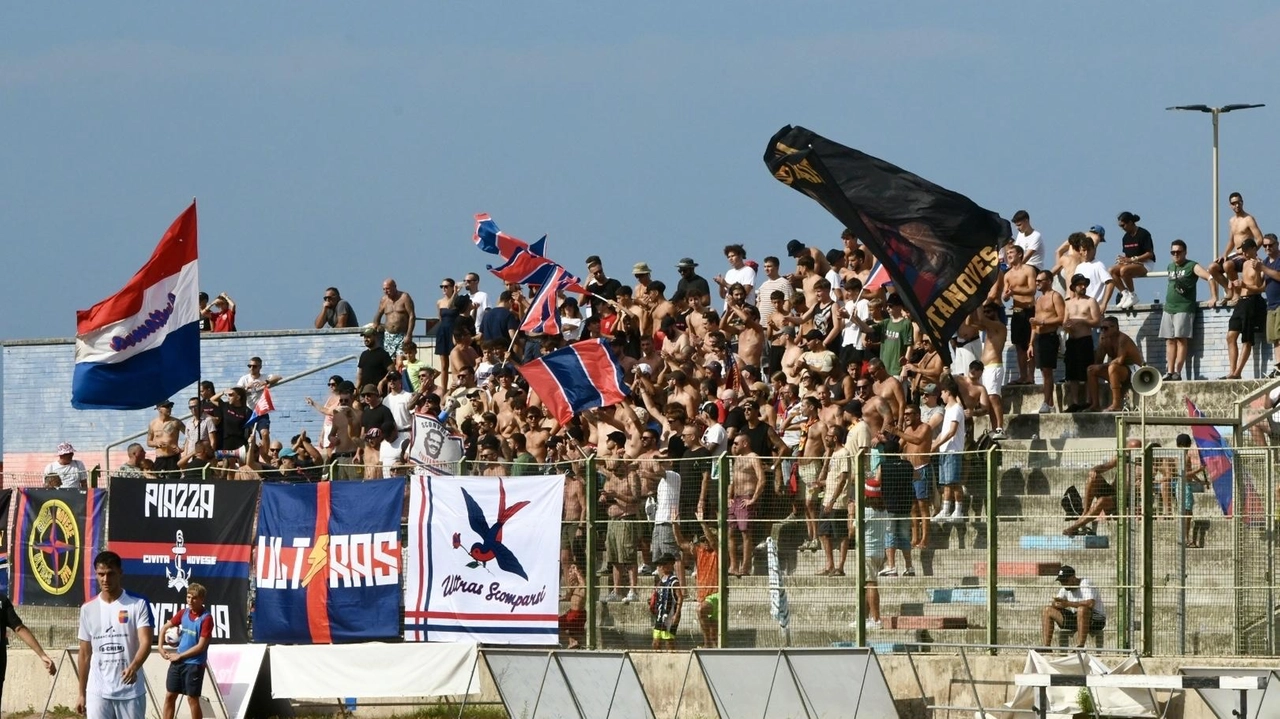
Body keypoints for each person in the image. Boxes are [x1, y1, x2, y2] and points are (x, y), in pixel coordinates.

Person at [77, 551, 153, 719]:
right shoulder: (87, 608)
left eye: (110, 574)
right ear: (96, 574)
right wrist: (81, 693)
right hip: (98, 691)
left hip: (130, 691)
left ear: (120, 573)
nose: (105, 579)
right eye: (101, 574)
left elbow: (146, 642)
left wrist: (134, 667)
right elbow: (84, 653)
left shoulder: (138, 603)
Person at [1160, 240, 1212, 381]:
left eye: (1178, 252)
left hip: (1184, 308)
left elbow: (1209, 277)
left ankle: (1177, 372)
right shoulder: (1170, 266)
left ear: (1185, 252)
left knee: (1181, 340)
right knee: (1169, 340)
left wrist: (1214, 297)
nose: (1175, 254)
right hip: (1169, 307)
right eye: (1173, 252)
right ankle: (1169, 372)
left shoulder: (1192, 265)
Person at [160, 583, 213, 719]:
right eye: (188, 597)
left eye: (194, 598)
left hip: (194, 664)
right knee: (170, 695)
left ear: (201, 599)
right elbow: (164, 628)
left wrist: (180, 656)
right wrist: (160, 647)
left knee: (192, 699)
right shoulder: (183, 613)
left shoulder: (206, 618)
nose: (190, 600)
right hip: (178, 662)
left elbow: (201, 646)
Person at [1209, 192, 1267, 306]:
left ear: (1242, 202)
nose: (1236, 205)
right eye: (1233, 203)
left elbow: (1260, 238)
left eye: (1238, 202)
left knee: (1228, 265)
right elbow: (1231, 241)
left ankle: (1237, 293)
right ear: (1230, 205)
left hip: (1246, 256)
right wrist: (1224, 254)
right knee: (1212, 268)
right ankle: (1229, 290)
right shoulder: (1232, 221)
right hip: (1235, 255)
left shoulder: (1248, 219)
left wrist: (1249, 253)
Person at [2, 590, 57, 708]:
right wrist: (42, 655)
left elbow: (18, 627)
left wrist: (42, 654)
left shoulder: (2, 601)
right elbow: (19, 628)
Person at [1223, 238, 1265, 379]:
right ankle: (1232, 370)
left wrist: (1246, 285)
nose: (1245, 254)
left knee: (1247, 338)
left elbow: (1260, 288)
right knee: (1230, 336)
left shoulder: (1260, 264)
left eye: (1247, 250)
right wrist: (1234, 284)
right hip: (1241, 301)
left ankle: (1237, 372)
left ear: (1254, 249)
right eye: (1243, 251)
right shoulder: (1244, 263)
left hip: (1253, 301)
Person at [1085, 317, 1144, 413]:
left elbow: (1119, 360)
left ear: (1115, 327)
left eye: (1106, 328)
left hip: (1133, 370)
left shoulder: (1123, 339)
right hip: (1117, 370)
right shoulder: (1103, 338)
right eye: (1101, 328)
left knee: (1112, 367)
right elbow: (1098, 360)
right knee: (1091, 370)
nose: (1103, 331)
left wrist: (1101, 366)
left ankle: (1116, 404)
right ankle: (1095, 404)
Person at [1062, 274, 1103, 412]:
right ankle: (1074, 402)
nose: (1083, 286)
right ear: (1074, 287)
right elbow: (1064, 321)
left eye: (1084, 284)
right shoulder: (1068, 302)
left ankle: (1087, 400)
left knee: (1086, 372)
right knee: (1072, 373)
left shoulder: (1091, 301)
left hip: (1085, 339)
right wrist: (1068, 326)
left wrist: (1082, 321)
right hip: (1072, 340)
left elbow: (1097, 322)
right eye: (1080, 284)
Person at [1040, 565, 1107, 648]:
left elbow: (1090, 604)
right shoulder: (1065, 588)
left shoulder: (1085, 583)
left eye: (1065, 581)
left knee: (1082, 609)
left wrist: (1068, 603)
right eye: (1061, 582)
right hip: (1077, 617)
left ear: (1073, 578)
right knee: (1047, 610)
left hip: (1096, 619)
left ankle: (1080, 646)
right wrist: (1056, 604)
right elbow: (1057, 602)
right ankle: (1046, 647)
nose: (1063, 584)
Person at [1028, 270, 1065, 413]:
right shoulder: (1038, 299)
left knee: (1048, 371)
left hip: (1050, 336)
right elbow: (1034, 324)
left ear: (1049, 281)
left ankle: (1046, 403)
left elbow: (1061, 318)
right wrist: (1031, 343)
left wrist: (1043, 322)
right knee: (1044, 372)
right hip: (1039, 338)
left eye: (1040, 281)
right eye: (1036, 281)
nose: (1037, 283)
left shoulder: (1055, 296)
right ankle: (1050, 404)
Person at [931, 381, 967, 524]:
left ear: (948, 392)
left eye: (942, 392)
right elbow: (944, 432)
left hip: (953, 450)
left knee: (954, 482)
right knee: (946, 483)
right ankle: (946, 510)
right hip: (944, 451)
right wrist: (934, 445)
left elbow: (952, 432)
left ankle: (958, 510)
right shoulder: (947, 409)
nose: (941, 395)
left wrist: (936, 445)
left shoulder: (957, 409)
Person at [1104, 211, 1155, 309]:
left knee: (1124, 270)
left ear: (1131, 222)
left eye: (1123, 225)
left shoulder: (1143, 234)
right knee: (1111, 270)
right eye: (1120, 226)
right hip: (1133, 263)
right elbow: (1128, 256)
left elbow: (1149, 254)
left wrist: (1132, 259)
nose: (1122, 228)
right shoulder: (1125, 238)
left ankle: (1132, 295)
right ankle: (1124, 293)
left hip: (1146, 263)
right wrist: (1123, 260)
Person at [650, 553, 683, 651]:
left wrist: (676, 614)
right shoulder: (661, 581)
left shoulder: (674, 581)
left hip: (670, 614)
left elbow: (680, 597)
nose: (661, 566)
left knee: (669, 641)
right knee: (655, 642)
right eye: (661, 564)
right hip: (660, 615)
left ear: (670, 565)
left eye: (664, 564)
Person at [147, 401, 184, 475]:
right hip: (160, 458)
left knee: (174, 480)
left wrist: (183, 448)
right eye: (167, 407)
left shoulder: (176, 422)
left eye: (170, 406)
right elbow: (149, 442)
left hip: (173, 457)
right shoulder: (153, 424)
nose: (169, 409)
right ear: (159, 409)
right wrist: (157, 443)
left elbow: (190, 435)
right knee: (158, 481)